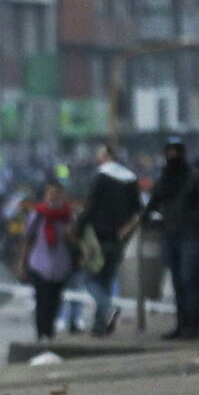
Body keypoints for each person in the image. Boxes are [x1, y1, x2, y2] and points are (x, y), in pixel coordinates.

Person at [145, 139, 199, 340]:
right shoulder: (164, 178)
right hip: (171, 234)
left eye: (176, 151)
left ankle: (192, 326)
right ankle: (182, 324)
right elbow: (153, 204)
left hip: (192, 234)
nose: (172, 156)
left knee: (189, 280)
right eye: (169, 151)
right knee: (178, 281)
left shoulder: (195, 177)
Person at [76, 145, 142, 335]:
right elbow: (138, 210)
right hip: (119, 239)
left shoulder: (101, 178)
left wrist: (78, 230)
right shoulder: (130, 179)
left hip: (98, 238)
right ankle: (99, 327)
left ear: (105, 157)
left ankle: (108, 305)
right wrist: (128, 229)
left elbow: (90, 208)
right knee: (106, 280)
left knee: (89, 279)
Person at [19, 180, 75, 341]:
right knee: (42, 300)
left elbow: (74, 240)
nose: (54, 197)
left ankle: (50, 331)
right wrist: (22, 264)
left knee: (55, 301)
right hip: (39, 264)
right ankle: (41, 333)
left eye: (57, 194)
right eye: (51, 194)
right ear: (45, 196)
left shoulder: (68, 216)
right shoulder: (37, 214)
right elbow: (27, 239)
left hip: (60, 265)